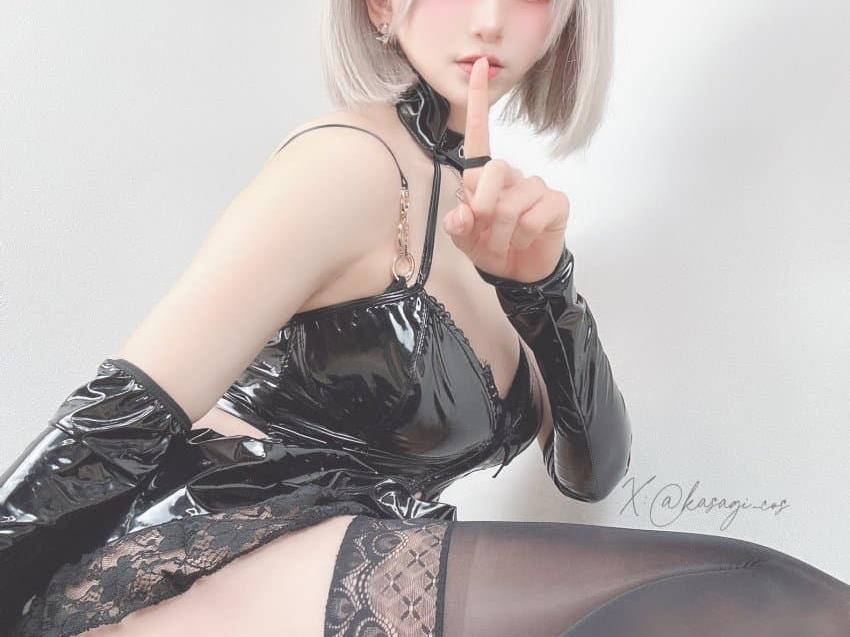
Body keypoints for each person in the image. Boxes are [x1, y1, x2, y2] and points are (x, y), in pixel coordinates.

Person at [2, 1, 848, 635]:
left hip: (324, 571)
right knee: (765, 596)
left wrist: (543, 286)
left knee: (748, 595)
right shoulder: (345, 163)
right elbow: (115, 421)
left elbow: (592, 469)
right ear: (379, 5)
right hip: (186, 572)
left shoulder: (491, 215)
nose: (489, 19)